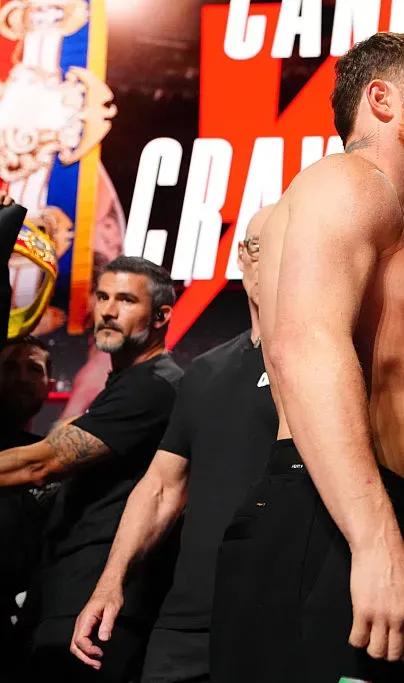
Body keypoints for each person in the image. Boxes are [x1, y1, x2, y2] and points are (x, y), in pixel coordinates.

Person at [208, 32, 404, 683]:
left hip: (375, 519)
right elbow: (301, 344)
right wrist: (375, 540)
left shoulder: (396, 228)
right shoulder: (352, 181)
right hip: (331, 522)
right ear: (381, 99)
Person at [69, 208, 278, 683]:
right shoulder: (205, 371)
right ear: (243, 257)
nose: (275, 260)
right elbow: (162, 487)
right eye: (262, 246)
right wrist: (110, 582)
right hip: (186, 622)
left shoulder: (334, 361)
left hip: (283, 612)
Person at [0, 256, 182, 683]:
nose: (108, 311)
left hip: (95, 609)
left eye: (125, 300)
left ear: (161, 316)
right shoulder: (125, 385)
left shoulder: (153, 387)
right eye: (102, 297)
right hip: (67, 599)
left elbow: (39, 464)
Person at [0, 335, 56, 671]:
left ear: (49, 384)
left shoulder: (51, 457)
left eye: (33, 369)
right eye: (10, 367)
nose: (21, 377)